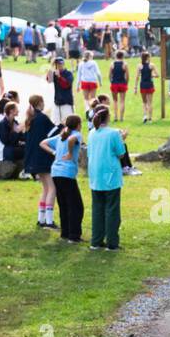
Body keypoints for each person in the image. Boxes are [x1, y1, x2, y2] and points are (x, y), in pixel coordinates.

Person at [86, 108, 125, 251]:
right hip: (110, 175)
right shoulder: (114, 133)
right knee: (112, 210)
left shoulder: (91, 133)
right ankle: (112, 243)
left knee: (97, 209)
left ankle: (96, 241)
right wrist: (122, 139)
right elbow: (121, 154)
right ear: (108, 117)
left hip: (96, 175)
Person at [43, 114, 84, 242]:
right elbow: (72, 140)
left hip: (55, 172)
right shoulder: (76, 134)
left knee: (64, 204)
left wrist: (54, 153)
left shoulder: (61, 135)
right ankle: (74, 235)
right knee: (76, 206)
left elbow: (43, 143)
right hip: (67, 173)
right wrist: (71, 153)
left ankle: (65, 233)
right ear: (78, 125)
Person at [24, 95, 56, 228]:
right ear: (40, 103)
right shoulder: (42, 118)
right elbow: (55, 133)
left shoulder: (30, 119)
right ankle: (49, 221)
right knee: (52, 188)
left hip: (33, 159)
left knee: (45, 188)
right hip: (43, 158)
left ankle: (41, 219)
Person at [0, 99, 24, 180]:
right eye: (17, 109)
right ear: (12, 111)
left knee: (29, 147)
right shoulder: (2, 124)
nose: (18, 111)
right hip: (6, 151)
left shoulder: (15, 122)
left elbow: (22, 136)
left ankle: (34, 173)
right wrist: (16, 132)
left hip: (13, 148)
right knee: (27, 150)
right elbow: (5, 141)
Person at [47, 56, 75, 123]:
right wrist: (51, 69)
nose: (59, 65)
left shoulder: (68, 73)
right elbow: (49, 80)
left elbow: (66, 85)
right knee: (55, 122)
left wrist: (59, 77)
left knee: (68, 122)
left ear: (63, 64)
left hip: (67, 102)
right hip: (57, 102)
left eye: (60, 64)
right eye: (57, 64)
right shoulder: (54, 73)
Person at [108, 50, 129, 122]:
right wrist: (126, 83)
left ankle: (115, 117)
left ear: (116, 56)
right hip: (122, 83)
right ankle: (121, 118)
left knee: (115, 101)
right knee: (122, 101)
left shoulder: (112, 64)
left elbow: (109, 75)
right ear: (122, 56)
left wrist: (111, 81)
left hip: (114, 83)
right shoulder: (124, 64)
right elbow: (127, 76)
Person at [136, 52, 155, 123]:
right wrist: (152, 75)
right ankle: (150, 118)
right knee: (150, 102)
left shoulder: (139, 66)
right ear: (148, 57)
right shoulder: (151, 65)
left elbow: (137, 77)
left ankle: (144, 116)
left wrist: (135, 87)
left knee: (144, 102)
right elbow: (157, 74)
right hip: (150, 84)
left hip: (143, 85)